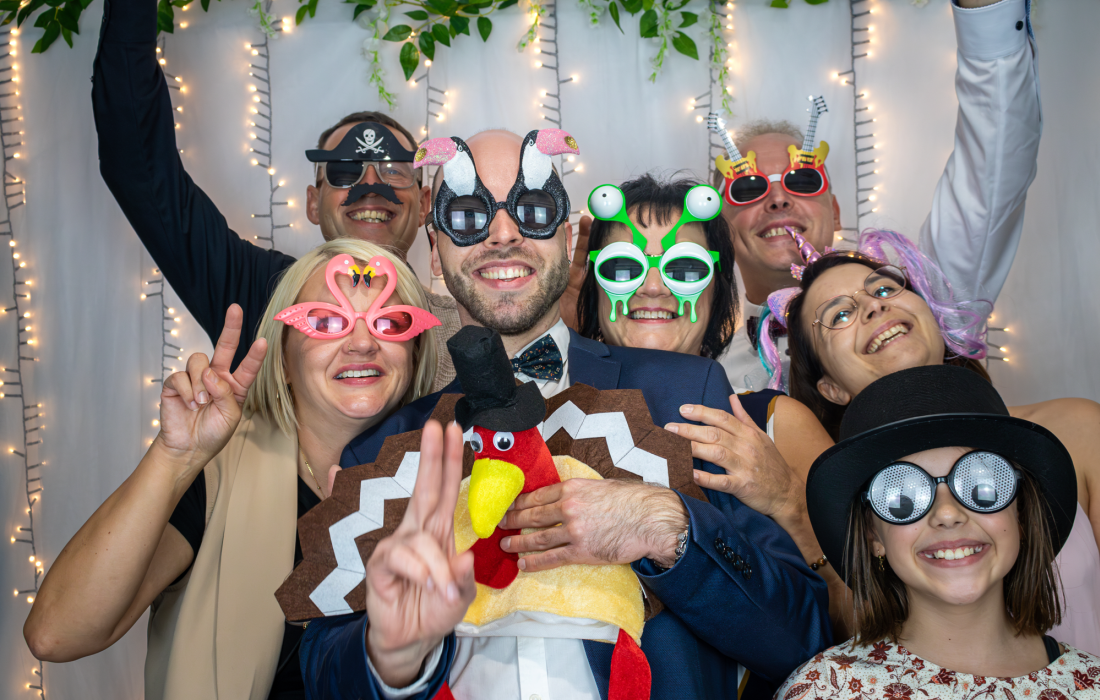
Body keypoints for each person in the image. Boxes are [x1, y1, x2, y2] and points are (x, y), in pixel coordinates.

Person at [300, 129, 832, 699]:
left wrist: (671, 529)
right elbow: (322, 672)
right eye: (469, 216)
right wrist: (388, 656)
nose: (503, 234)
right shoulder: (381, 450)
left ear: (566, 234)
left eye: (531, 211)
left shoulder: (682, 391)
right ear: (435, 250)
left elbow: (800, 637)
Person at [22, 240, 439, 700]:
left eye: (390, 322)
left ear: (414, 353)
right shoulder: (216, 474)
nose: (362, 343)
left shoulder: (455, 478)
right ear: (283, 359)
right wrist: (175, 457)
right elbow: (55, 634)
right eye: (325, 321)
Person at [91, 0, 460, 389]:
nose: (370, 186)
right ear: (313, 203)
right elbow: (139, 168)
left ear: (424, 205)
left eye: (393, 170)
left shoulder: (463, 325)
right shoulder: (258, 291)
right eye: (345, 171)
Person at [778, 230, 1100, 653]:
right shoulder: (842, 497)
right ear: (830, 388)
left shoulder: (1076, 427)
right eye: (839, 315)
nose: (874, 305)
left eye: (885, 289)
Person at [708, 0, 1041, 392]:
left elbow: (993, 168)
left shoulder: (918, 299)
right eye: (748, 188)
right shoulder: (704, 373)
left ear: (835, 212)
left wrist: (986, 12)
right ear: (719, 230)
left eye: (803, 180)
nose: (778, 199)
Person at [576, 174, 851, 631]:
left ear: (719, 290)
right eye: (622, 268)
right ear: (593, 287)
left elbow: (863, 623)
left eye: (684, 269)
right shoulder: (546, 410)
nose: (652, 287)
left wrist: (789, 502)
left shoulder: (773, 421)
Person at [776, 365, 1100, 699]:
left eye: (982, 486)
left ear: (1021, 514)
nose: (947, 514)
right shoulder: (823, 690)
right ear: (874, 536)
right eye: (901, 498)